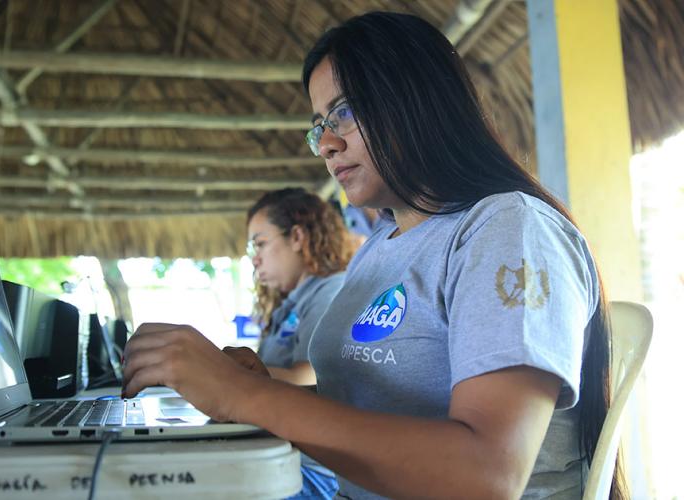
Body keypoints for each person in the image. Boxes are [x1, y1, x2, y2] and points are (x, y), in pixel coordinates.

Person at [122, 11, 624, 499]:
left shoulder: (505, 228)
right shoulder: (383, 244)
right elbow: (386, 408)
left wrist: (249, 397)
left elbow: (487, 475)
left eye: (345, 111)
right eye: (319, 124)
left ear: (419, 100)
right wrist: (259, 393)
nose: (328, 144)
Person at [244, 187, 352, 498]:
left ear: (297, 238)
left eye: (261, 244)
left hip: (310, 470)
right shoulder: (292, 303)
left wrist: (221, 375)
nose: (255, 260)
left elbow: (310, 376)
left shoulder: (329, 291)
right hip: (287, 457)